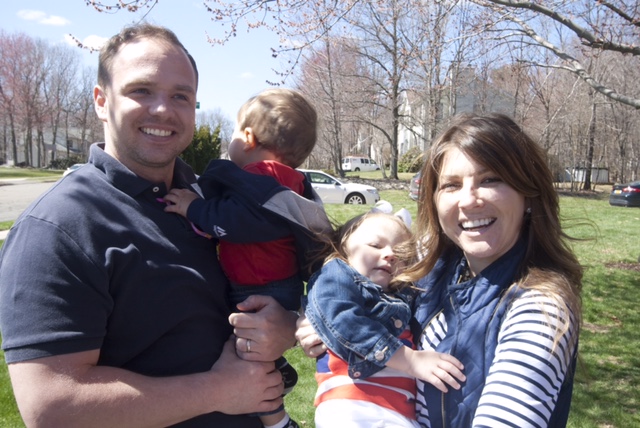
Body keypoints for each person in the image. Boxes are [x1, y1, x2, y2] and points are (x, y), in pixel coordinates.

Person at [0, 23, 298, 427]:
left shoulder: (211, 200)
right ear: (101, 101)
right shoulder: (57, 227)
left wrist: (285, 325)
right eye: (141, 90)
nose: (163, 110)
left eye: (181, 96)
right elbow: (52, 406)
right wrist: (218, 390)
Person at [297, 113, 582, 428]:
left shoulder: (539, 308)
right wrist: (315, 322)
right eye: (451, 185)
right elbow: (349, 288)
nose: (469, 200)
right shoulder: (435, 266)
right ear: (434, 200)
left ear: (528, 194)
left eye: (490, 180)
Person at [162, 87, 331, 428]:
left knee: (246, 362)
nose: (231, 142)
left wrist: (194, 208)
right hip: (277, 285)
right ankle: (276, 369)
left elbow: (238, 221)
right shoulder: (288, 181)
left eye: (235, 133)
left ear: (249, 138)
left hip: (259, 287)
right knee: (249, 351)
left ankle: (276, 419)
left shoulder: (260, 179)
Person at [303, 211, 465, 428]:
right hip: (352, 406)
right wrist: (411, 361)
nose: (390, 254)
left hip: (399, 411)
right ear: (343, 250)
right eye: (375, 245)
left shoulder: (400, 295)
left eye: (400, 252)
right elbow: (343, 320)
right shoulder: (336, 274)